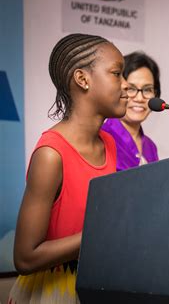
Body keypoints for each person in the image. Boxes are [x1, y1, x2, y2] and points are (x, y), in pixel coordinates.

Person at [8, 33, 128, 303]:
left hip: (94, 283)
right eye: (116, 73)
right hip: (52, 292)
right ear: (83, 79)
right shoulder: (51, 154)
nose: (126, 84)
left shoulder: (109, 142)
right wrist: (100, 233)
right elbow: (25, 258)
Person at [101, 51, 160, 171]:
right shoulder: (101, 138)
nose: (139, 98)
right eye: (131, 88)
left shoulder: (150, 146)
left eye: (147, 90)